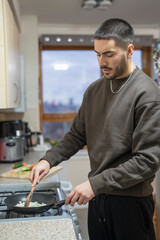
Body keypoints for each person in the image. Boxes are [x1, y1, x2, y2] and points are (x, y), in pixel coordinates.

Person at [30, 18, 160, 240]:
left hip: (131, 203)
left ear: (129, 50)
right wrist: (48, 160)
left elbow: (147, 161)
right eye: (97, 54)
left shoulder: (147, 94)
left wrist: (94, 183)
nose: (101, 62)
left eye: (109, 54)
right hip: (98, 198)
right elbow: (77, 135)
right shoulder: (94, 90)